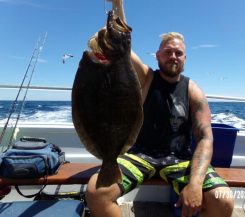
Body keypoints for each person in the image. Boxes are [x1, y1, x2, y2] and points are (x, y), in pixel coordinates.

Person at [86, 1, 234, 216]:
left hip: (179, 159)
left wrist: (195, 183)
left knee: (224, 200)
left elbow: (205, 137)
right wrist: (118, 4)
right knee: (96, 192)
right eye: (168, 52)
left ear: (185, 58)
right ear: (157, 55)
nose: (173, 56)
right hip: (139, 155)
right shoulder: (146, 78)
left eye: (178, 53)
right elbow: (122, 45)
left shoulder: (194, 91)